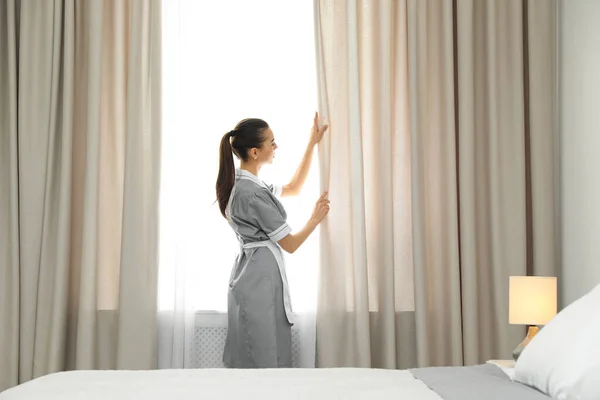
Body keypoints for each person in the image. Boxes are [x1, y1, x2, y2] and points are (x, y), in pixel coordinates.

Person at [215, 113, 329, 368]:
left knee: (257, 351)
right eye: (272, 142)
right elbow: (289, 244)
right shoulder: (252, 193)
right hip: (259, 279)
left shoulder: (245, 185)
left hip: (252, 275)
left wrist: (312, 144)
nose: (276, 147)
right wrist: (315, 219)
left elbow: (294, 187)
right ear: (255, 152)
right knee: (263, 353)